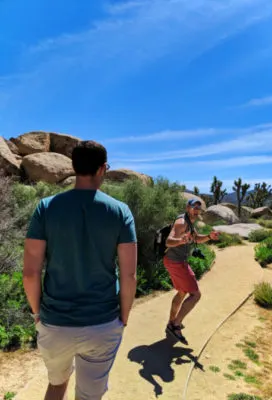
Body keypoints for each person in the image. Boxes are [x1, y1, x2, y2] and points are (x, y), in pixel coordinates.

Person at [23, 140, 137, 400]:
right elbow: (129, 275)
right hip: (102, 322)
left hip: (55, 323)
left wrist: (38, 314)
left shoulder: (46, 208)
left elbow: (30, 273)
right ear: (102, 168)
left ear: (74, 167)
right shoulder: (120, 212)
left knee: (56, 385)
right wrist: (124, 318)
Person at [163, 199, 219, 345]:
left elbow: (196, 239)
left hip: (174, 261)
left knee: (182, 292)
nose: (196, 210)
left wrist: (208, 237)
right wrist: (180, 241)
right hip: (176, 262)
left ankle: (171, 322)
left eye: (198, 208)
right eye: (193, 207)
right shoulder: (182, 222)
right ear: (188, 208)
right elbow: (168, 242)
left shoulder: (189, 222)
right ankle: (175, 325)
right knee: (195, 295)